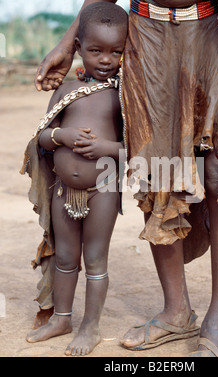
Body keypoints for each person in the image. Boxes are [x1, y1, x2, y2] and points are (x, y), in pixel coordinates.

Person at [32, 0, 218, 357]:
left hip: (217, 30)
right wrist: (67, 44)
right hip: (147, 33)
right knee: (155, 168)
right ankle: (176, 311)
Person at [21, 2, 128, 356]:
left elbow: (135, 150)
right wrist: (61, 138)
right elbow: (41, 135)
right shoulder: (67, 90)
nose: (105, 60)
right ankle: (62, 318)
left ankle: (91, 327)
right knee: (66, 257)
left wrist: (105, 146)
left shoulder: (125, 96)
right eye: (96, 50)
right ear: (78, 47)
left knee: (95, 258)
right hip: (63, 189)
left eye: (116, 52)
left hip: (103, 189)